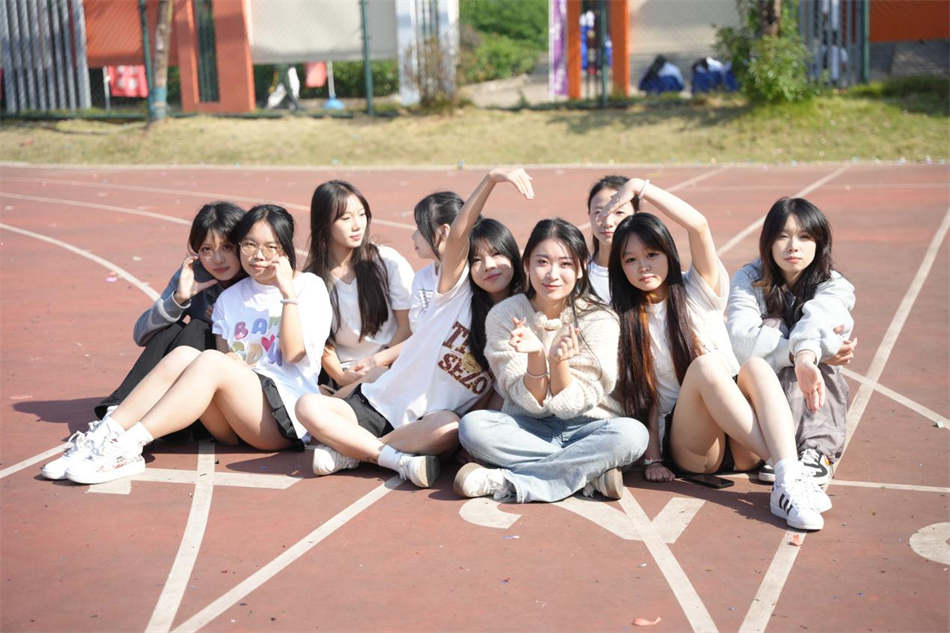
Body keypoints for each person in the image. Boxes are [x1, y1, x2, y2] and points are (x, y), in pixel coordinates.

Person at [45, 205, 332, 484]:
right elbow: (224, 359)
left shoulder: (309, 286)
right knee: (184, 354)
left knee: (210, 360)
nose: (258, 255)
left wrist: (287, 294)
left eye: (271, 247)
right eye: (249, 245)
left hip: (282, 419)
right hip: (233, 422)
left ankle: (127, 447)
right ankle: (102, 436)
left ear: (286, 249)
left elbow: (294, 355)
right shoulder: (229, 298)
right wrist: (229, 358)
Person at [604, 178, 831, 530]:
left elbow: (698, 225)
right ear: (620, 267)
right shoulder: (623, 317)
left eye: (651, 254)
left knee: (754, 367)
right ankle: (790, 471)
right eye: (630, 260)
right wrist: (653, 459)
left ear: (668, 253)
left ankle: (787, 477)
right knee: (707, 367)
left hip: (744, 440)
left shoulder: (698, 290)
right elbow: (643, 393)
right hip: (695, 447)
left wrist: (640, 187)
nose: (643, 266)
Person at [295, 168, 532, 488]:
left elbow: (491, 393)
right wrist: (490, 180)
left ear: (515, 258)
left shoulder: (519, 321)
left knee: (451, 428)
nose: (489, 266)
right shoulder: (455, 293)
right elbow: (459, 234)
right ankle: (388, 457)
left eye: (498, 254)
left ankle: (353, 451)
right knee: (307, 406)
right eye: (477, 259)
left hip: (426, 426)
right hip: (376, 405)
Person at [42, 202, 246, 480]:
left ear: (242, 245)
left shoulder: (254, 281)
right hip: (180, 387)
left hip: (213, 399)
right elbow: (141, 334)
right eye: (206, 249)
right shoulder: (193, 274)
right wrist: (179, 299)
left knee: (199, 328)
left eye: (227, 247)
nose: (217, 259)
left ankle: (120, 430)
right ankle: (112, 425)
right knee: (171, 327)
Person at [454, 217, 649, 503]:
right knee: (473, 427)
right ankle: (589, 474)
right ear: (526, 265)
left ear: (581, 269)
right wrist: (536, 357)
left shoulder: (600, 318)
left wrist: (558, 363)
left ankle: (508, 481)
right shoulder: (505, 315)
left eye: (565, 264)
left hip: (589, 426)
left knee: (632, 435)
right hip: (527, 427)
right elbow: (525, 400)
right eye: (542, 262)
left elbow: (573, 405)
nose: (552, 274)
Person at [727, 197, 855, 485]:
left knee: (819, 348)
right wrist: (796, 354)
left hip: (812, 393)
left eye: (804, 237)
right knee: (782, 331)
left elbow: (821, 321)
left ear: (819, 243)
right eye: (782, 236)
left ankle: (816, 451)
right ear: (768, 242)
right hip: (757, 398)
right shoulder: (748, 279)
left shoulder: (834, 284)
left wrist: (808, 355)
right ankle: (780, 449)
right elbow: (739, 339)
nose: (793, 246)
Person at [305, 180, 413, 389]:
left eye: (362, 214)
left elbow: (407, 325)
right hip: (344, 374)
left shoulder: (386, 261)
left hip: (392, 365)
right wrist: (341, 377)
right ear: (324, 223)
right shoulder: (312, 279)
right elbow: (322, 343)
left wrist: (382, 363)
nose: (357, 225)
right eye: (346, 218)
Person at [408, 191, 463, 329]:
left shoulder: (474, 276)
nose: (413, 236)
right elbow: (418, 333)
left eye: (420, 228)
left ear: (444, 232)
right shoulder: (421, 279)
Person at [586, 175, 633, 302]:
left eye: (619, 212)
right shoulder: (578, 273)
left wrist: (639, 186)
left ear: (636, 214)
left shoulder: (647, 271)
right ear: (589, 215)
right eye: (599, 212)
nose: (608, 222)